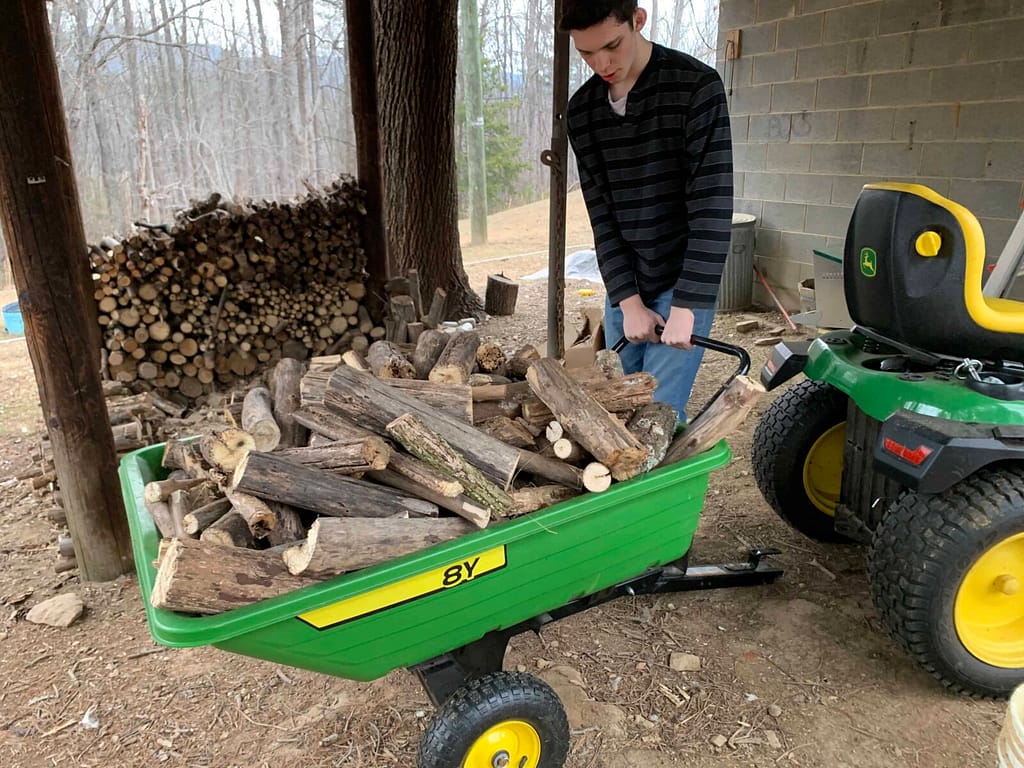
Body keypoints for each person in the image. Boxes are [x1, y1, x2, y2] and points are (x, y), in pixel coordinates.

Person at [561, 0, 733, 422]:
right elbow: (602, 214)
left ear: (638, 21)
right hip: (628, 285)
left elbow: (712, 205)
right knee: (614, 412)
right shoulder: (583, 111)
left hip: (683, 278)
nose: (601, 63)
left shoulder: (696, 87)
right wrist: (627, 300)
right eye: (585, 52)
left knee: (657, 414)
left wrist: (688, 305)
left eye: (612, 45)